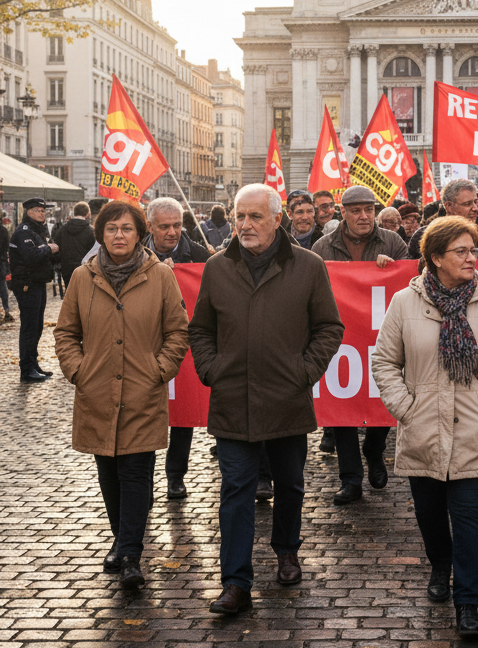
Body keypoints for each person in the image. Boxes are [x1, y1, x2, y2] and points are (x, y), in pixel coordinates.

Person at [189, 184, 344, 615]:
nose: (245, 225)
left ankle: (287, 550)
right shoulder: (218, 267)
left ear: (277, 219)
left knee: (290, 484)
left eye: (255, 216)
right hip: (232, 400)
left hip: (286, 398)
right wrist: (212, 369)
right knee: (236, 490)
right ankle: (235, 582)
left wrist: (303, 372)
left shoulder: (308, 265)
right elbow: (200, 329)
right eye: (240, 216)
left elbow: (329, 327)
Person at [372, 216, 478, 638]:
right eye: (461, 251)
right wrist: (405, 407)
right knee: (430, 514)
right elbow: (385, 361)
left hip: (476, 428)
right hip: (422, 428)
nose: (471, 258)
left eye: (473, 250)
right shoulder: (405, 302)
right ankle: (440, 564)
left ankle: (467, 604)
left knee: (471, 517)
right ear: (436, 258)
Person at [54, 200, 189, 590]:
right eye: (111, 229)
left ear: (139, 234)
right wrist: (78, 371)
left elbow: (178, 331)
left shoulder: (160, 275)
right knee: (109, 474)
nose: (119, 235)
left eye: (127, 228)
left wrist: (158, 370)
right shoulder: (83, 277)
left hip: (142, 392)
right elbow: (66, 332)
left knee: (135, 473)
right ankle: (121, 539)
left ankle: (130, 554)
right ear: (101, 234)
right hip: (96, 392)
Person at [311, 185, 407, 505]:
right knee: (342, 410)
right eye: (356, 211)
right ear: (344, 213)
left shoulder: (393, 242)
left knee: (384, 400)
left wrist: (392, 269)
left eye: (369, 210)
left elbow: (410, 284)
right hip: (341, 342)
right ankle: (350, 479)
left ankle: (374, 451)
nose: (364, 216)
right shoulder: (323, 246)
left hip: (383, 340)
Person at [145, 197, 211, 501]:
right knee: (144, 414)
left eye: (177, 225)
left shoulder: (198, 255)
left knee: (183, 413)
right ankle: (143, 480)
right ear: (150, 226)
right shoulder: (134, 254)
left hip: (183, 345)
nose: (172, 232)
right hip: (144, 344)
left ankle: (175, 476)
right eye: (164, 227)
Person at [9, 197, 59, 382]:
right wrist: (49, 248)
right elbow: (31, 256)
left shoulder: (37, 231)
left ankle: (33, 363)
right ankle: (27, 369)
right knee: (29, 327)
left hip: (37, 282)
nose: (42, 214)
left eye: (43, 211)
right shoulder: (24, 232)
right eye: (38, 210)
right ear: (28, 212)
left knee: (37, 326)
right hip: (27, 284)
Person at [406, 180, 478, 261]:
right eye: (467, 204)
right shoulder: (423, 236)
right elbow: (409, 270)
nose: (475, 208)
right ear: (449, 206)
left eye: (476, 202)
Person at [54, 202, 95, 288]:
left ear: (74, 213)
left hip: (67, 269)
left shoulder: (62, 229)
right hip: (85, 269)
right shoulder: (90, 231)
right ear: (88, 214)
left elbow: (56, 248)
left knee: (70, 293)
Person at [0, 214, 10, 324]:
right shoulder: (3, 230)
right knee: (3, 286)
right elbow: (7, 247)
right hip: (1, 261)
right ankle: (6, 309)